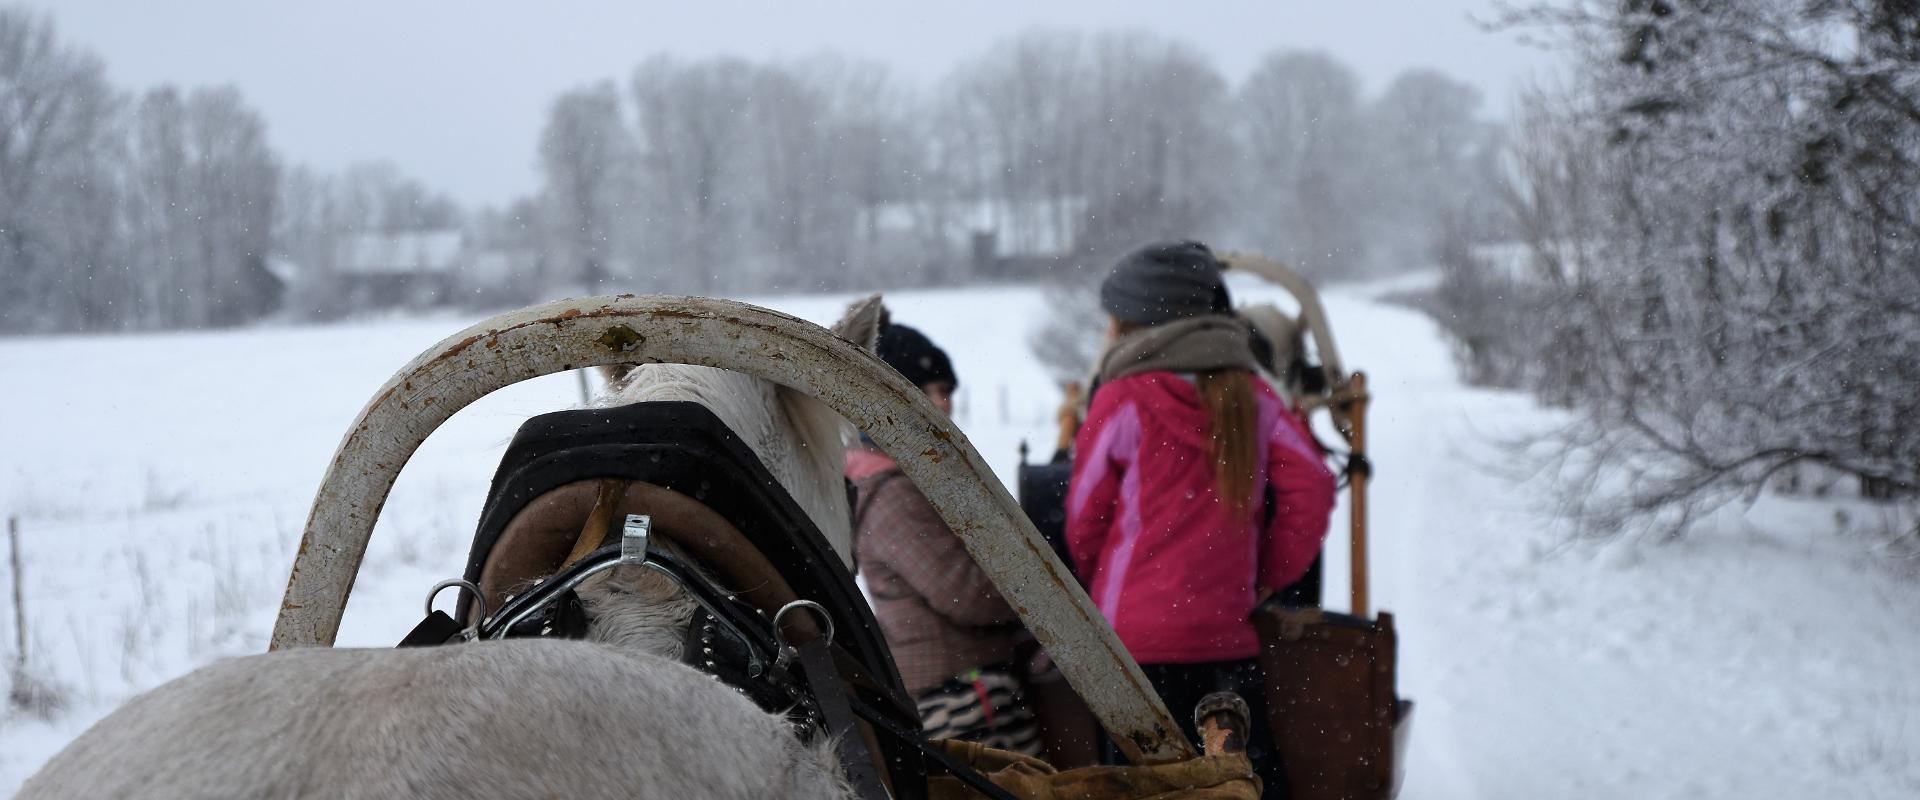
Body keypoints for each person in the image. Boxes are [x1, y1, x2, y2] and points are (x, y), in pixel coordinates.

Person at [1065, 240, 1337, 795]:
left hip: (1129, 647)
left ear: (1132, 322)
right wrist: (1267, 575)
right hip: (1225, 639)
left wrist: (1112, 591)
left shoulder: (1119, 398)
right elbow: (1312, 484)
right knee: (1239, 781)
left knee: (1135, 787)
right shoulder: (1254, 394)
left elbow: (1082, 516)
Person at [848, 319, 1045, 756]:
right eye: (930, 391)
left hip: (971, 685)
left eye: (948, 392)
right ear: (893, 403)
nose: (945, 405)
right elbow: (966, 594)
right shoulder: (896, 495)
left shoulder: (916, 481)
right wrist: (1036, 588)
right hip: (960, 694)